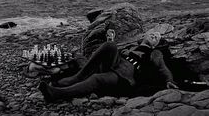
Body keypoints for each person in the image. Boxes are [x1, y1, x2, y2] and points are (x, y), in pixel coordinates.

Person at [38, 30, 178, 103]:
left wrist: (169, 80)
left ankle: (57, 94)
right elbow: (110, 53)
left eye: (157, 37)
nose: (154, 35)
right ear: (144, 36)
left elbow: (163, 68)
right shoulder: (131, 47)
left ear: (156, 44)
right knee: (110, 45)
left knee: (96, 78)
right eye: (152, 33)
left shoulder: (155, 53)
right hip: (114, 64)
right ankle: (74, 78)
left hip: (125, 74)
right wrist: (110, 41)